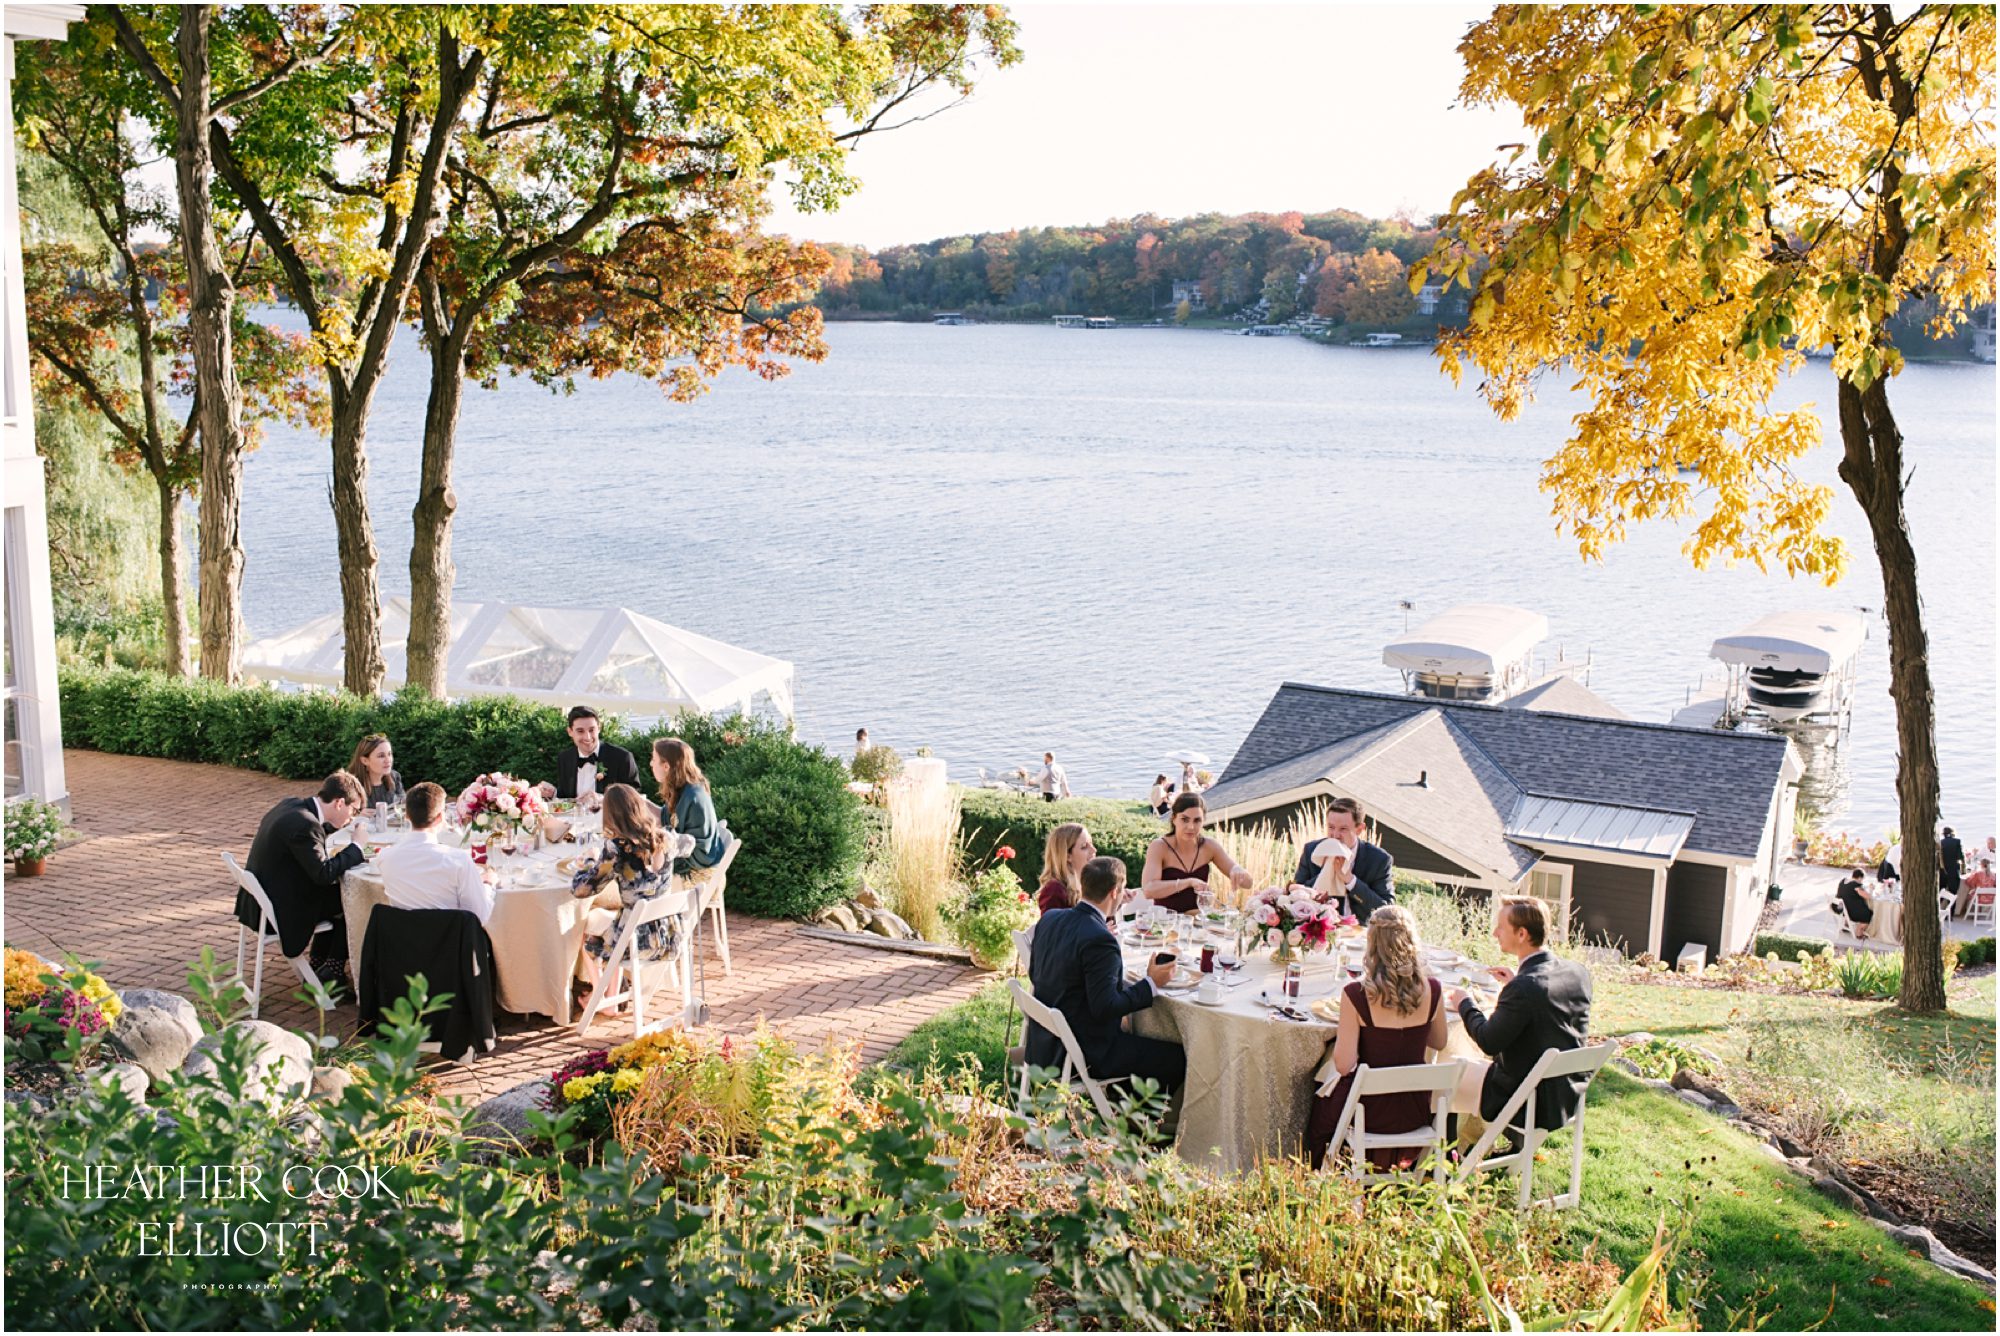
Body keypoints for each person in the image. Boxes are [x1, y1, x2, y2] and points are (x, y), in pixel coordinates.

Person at [1024, 855, 1186, 1095]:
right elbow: (1105, 1007)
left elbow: (1035, 972)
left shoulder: (1051, 918)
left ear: (1083, 886)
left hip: (1044, 1042)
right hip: (1086, 1050)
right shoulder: (1101, 940)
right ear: (1114, 892)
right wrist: (1151, 983)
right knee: (1178, 1057)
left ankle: (1122, 1102)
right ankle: (1144, 1120)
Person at [1306, 905, 1448, 1170]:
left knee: (1317, 1108)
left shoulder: (1356, 994)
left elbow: (1344, 1064)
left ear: (1371, 945)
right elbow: (1439, 1042)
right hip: (1414, 1110)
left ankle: (1320, 1178)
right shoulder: (1433, 989)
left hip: (1368, 1112)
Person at [1447, 896, 1593, 1135]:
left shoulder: (1525, 989)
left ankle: (1444, 1156)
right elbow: (1549, 1012)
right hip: (1567, 1094)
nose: (1495, 933)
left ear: (1522, 934)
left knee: (1450, 1074)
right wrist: (1516, 982)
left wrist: (1464, 1003)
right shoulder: (1577, 972)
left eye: (1501, 928)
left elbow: (1487, 1040)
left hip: (1527, 1101)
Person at [236, 771, 369, 988]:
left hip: (258, 902)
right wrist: (357, 847)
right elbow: (323, 874)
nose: (351, 818)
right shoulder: (305, 825)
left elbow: (308, 849)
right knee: (353, 900)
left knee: (338, 896)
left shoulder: (291, 806)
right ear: (339, 803)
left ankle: (319, 961)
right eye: (353, 810)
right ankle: (333, 971)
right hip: (280, 909)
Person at [571, 784, 685, 992]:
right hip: (670, 935)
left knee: (586, 936)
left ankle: (602, 998)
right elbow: (689, 844)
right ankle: (611, 997)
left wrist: (589, 862)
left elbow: (581, 890)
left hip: (637, 942)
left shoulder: (616, 848)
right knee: (613, 924)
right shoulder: (666, 838)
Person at [377, 782, 495, 925]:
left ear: (407, 815)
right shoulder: (459, 860)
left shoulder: (385, 857)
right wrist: (488, 885)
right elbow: (479, 917)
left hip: (402, 943)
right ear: (440, 817)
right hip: (451, 944)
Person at [1141, 792, 1254, 913]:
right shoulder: (1159, 847)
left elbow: (1248, 884)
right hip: (1166, 924)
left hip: (1198, 924)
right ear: (1173, 819)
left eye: (1197, 820)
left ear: (1203, 821)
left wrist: (1238, 870)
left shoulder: (1209, 846)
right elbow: (1149, 890)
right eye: (1184, 819)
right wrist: (1188, 882)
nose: (1191, 827)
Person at [1288, 797, 1396, 923]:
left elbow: (1387, 909)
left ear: (1359, 829)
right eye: (1331, 827)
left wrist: (1351, 881)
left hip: (1361, 933)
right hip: (1319, 930)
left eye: (1343, 829)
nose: (1335, 835)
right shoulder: (1312, 850)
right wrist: (1325, 872)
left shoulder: (1379, 859)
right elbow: (1295, 896)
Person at [652, 738, 729, 882]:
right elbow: (663, 818)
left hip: (699, 874)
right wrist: (636, 800)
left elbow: (690, 847)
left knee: (637, 878)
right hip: (698, 866)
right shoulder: (686, 789)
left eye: (654, 759)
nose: (651, 764)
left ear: (666, 766)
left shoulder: (692, 796)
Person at [544, 706, 640, 803]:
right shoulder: (565, 758)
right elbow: (566, 796)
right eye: (580, 731)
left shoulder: (622, 757)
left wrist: (603, 799)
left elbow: (634, 795)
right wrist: (553, 793)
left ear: (599, 728)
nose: (587, 737)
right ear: (570, 732)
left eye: (591, 730)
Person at [1037, 822, 1097, 914]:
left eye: (1091, 843)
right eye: (1084, 847)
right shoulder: (1054, 890)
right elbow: (1050, 927)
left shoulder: (1089, 882)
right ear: (1067, 856)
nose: (1094, 850)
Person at [347, 733, 405, 811]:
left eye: (389, 754)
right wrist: (355, 815)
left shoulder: (395, 776)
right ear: (365, 760)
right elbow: (339, 815)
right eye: (381, 756)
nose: (388, 760)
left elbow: (404, 805)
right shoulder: (350, 785)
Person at [1835, 867, 1874, 938]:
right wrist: (1871, 889)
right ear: (1859, 878)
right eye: (1862, 879)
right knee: (1868, 913)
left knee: (1850, 902)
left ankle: (1846, 924)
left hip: (1838, 907)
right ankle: (1859, 932)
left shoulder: (1843, 880)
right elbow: (1868, 896)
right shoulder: (1856, 886)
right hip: (1848, 911)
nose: (1862, 881)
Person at [1940, 826, 1965, 900]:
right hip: (1953, 870)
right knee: (1953, 892)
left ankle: (1940, 908)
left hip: (1942, 870)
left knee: (1941, 891)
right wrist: (1963, 868)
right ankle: (1951, 909)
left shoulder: (1941, 843)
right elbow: (1960, 856)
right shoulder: (1957, 841)